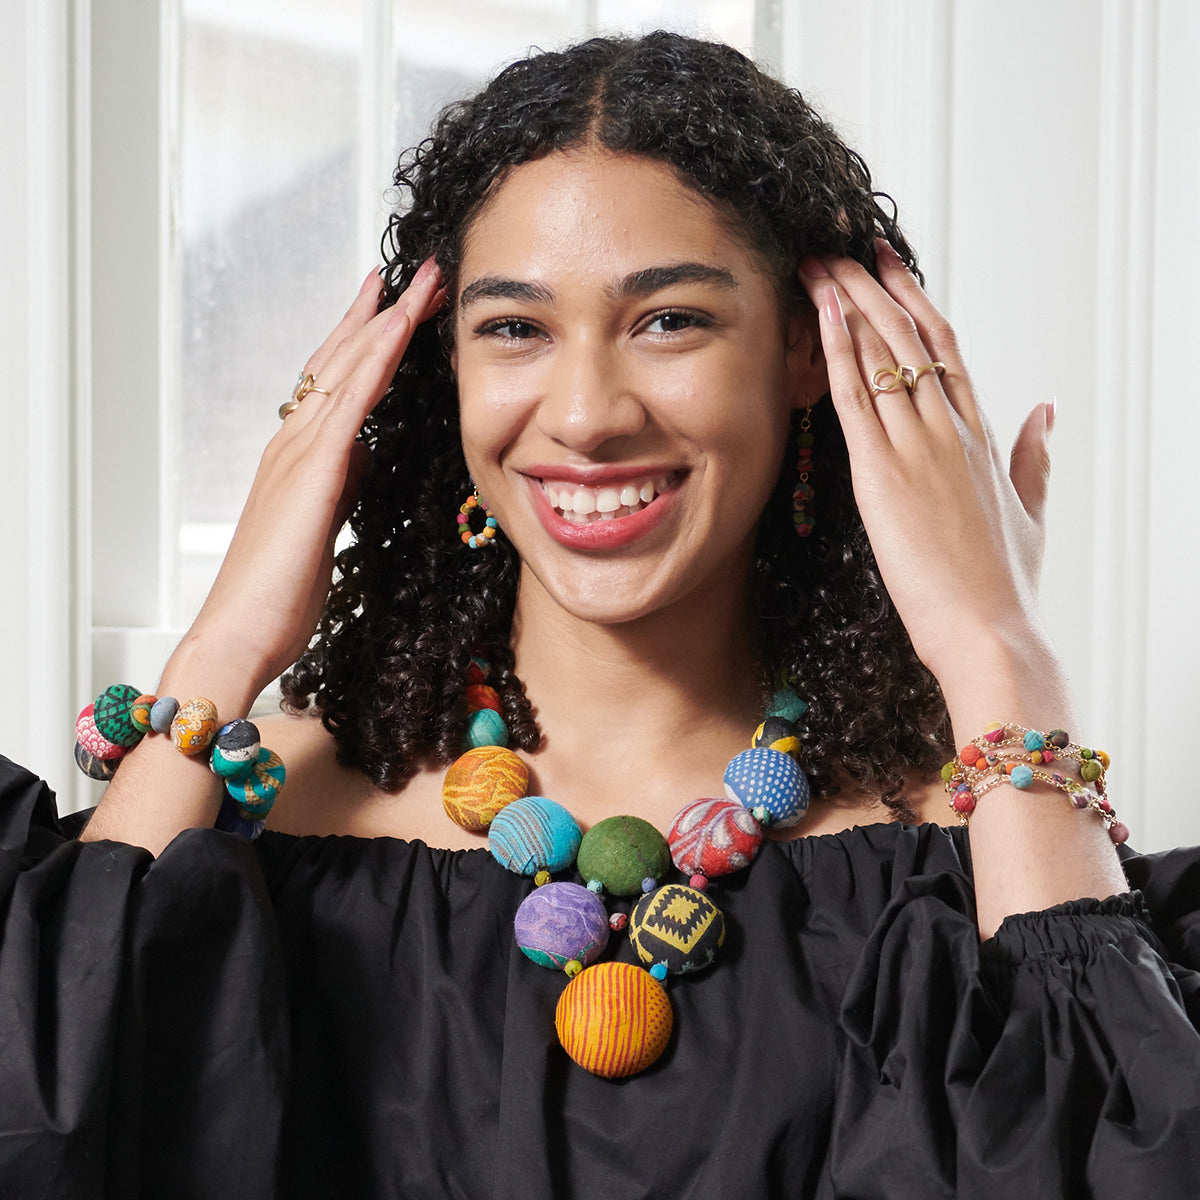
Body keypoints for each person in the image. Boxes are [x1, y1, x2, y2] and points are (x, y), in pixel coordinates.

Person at [3, 30, 1198, 1199]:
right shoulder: (265, 826)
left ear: (802, 354)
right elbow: (48, 1124)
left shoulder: (987, 846)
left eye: (669, 318)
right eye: (514, 328)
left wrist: (997, 652)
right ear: (441, 370)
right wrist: (225, 644)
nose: (584, 414)